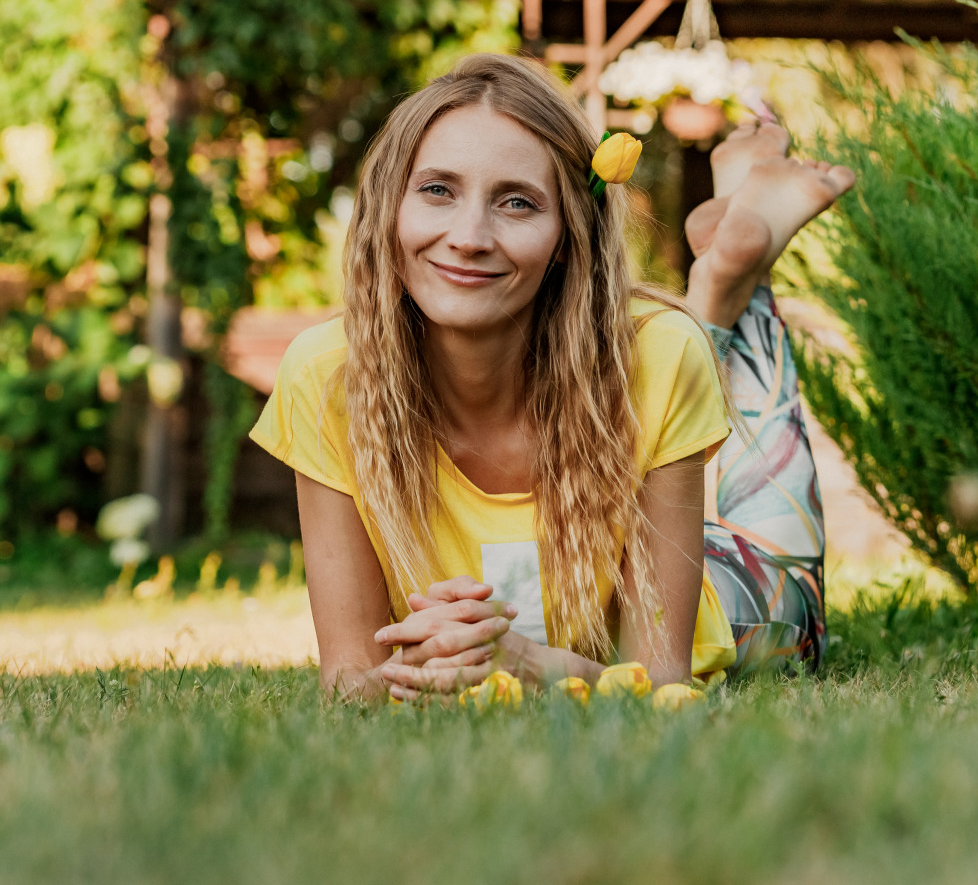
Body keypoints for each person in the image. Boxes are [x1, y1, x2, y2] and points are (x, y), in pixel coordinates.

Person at [249, 53, 853, 702]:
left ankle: (739, 286)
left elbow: (661, 677)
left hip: (723, 594)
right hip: (613, 516)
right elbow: (348, 681)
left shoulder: (661, 357)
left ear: (567, 233)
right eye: (437, 190)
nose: (469, 236)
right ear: (388, 208)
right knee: (658, 354)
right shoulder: (327, 375)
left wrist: (525, 662)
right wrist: (424, 675)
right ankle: (723, 282)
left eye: (517, 202)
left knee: (797, 597)